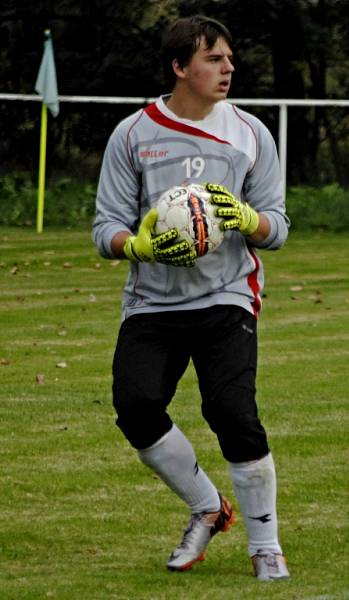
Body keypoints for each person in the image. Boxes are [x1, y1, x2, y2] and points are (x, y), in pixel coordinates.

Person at [92, 15, 291, 581]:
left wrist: (251, 220)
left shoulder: (252, 132)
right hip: (152, 302)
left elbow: (278, 226)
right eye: (213, 59)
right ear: (180, 67)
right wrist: (140, 245)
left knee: (232, 411)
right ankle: (208, 506)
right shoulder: (132, 133)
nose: (228, 68)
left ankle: (266, 545)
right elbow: (105, 226)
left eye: (229, 58)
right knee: (135, 407)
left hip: (228, 297)